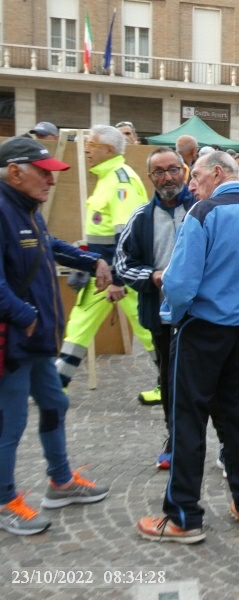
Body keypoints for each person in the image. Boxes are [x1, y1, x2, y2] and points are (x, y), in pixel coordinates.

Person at [137, 151, 239, 544]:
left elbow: (180, 283)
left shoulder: (203, 212)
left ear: (217, 173)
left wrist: (174, 313)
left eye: (195, 176)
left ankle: (183, 515)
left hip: (203, 329)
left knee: (188, 420)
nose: (191, 185)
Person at [0, 137, 112, 535]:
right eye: (43, 173)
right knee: (10, 423)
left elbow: (50, 247)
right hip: (13, 343)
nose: (51, 180)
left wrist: (93, 260)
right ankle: (4, 501)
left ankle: (60, 482)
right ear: (15, 172)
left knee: (54, 403)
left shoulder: (26, 209)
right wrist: (25, 315)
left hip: (35, 341)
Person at [55, 125, 157, 402]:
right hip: (101, 275)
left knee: (147, 330)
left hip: (120, 277)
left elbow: (127, 236)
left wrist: (118, 279)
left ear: (109, 149)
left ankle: (170, 382)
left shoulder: (121, 180)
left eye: (92, 144)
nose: (86, 148)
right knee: (78, 326)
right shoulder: (106, 177)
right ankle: (56, 385)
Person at [116, 147, 198, 470]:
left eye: (174, 169)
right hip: (161, 315)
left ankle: (223, 444)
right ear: (150, 177)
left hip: (202, 314)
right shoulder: (141, 218)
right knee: (169, 380)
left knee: (212, 380)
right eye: (159, 172)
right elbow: (123, 264)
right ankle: (175, 440)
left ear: (184, 171)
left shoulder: (202, 209)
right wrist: (151, 276)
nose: (168, 177)